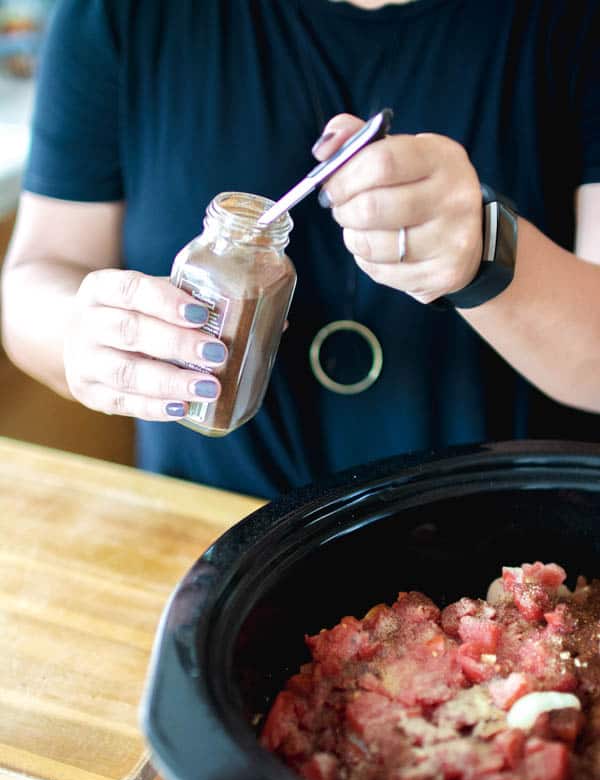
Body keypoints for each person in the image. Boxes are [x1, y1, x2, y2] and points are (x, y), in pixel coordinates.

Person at [2, 0, 600, 500]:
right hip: (209, 540)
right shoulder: (120, 11)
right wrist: (84, 333)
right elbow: (37, 273)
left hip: (504, 565)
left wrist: (486, 255)